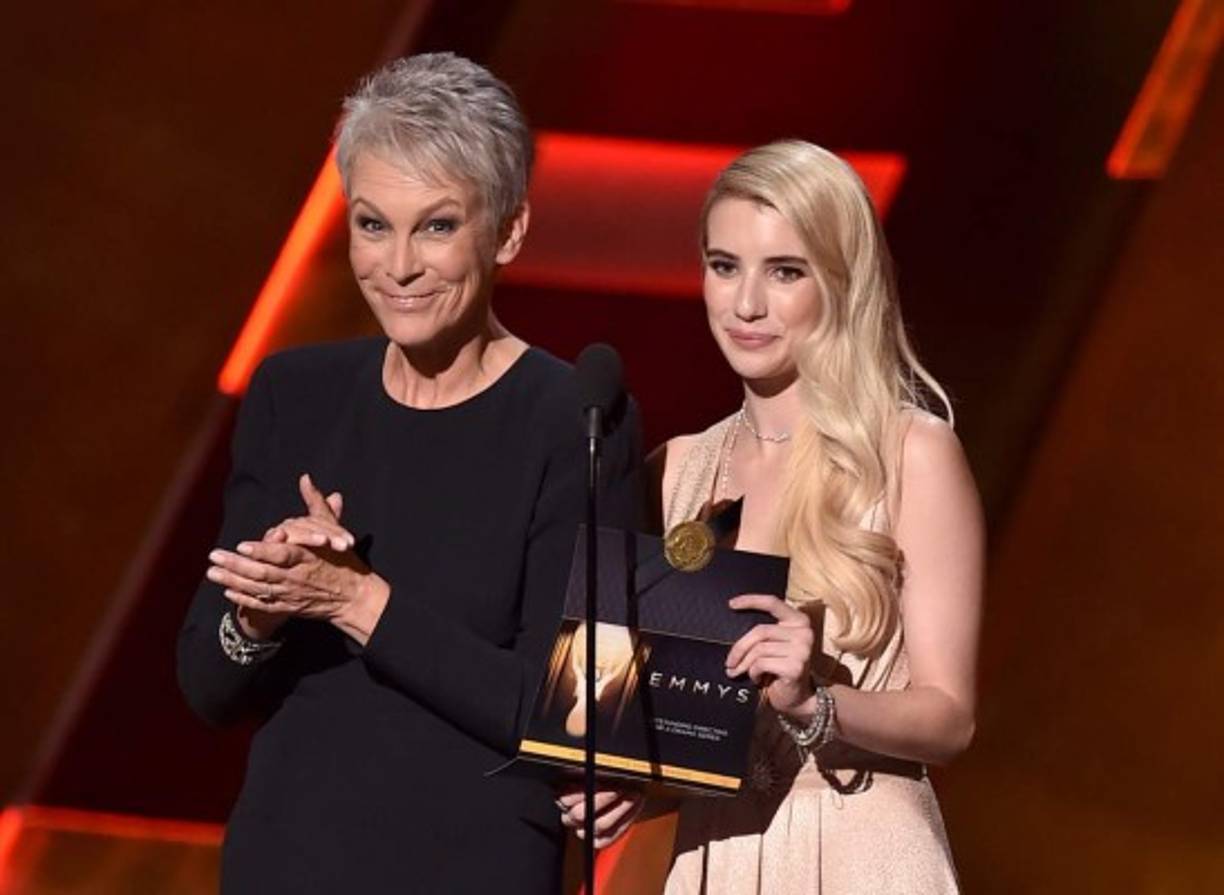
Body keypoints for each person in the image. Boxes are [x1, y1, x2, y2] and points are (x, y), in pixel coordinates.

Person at [177, 52, 641, 893]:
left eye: (436, 226)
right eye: (371, 224)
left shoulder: (574, 417)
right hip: (288, 860)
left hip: (474, 865)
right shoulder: (295, 396)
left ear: (508, 230)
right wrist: (258, 613)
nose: (397, 266)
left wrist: (357, 601)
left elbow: (571, 714)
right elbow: (207, 688)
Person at [561, 140, 984, 892]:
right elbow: (668, 713)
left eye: (784, 271)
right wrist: (626, 778)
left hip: (858, 842)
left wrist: (816, 701)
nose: (745, 303)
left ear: (840, 282)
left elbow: (951, 718)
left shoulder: (911, 452)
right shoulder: (674, 468)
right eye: (724, 266)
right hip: (711, 855)